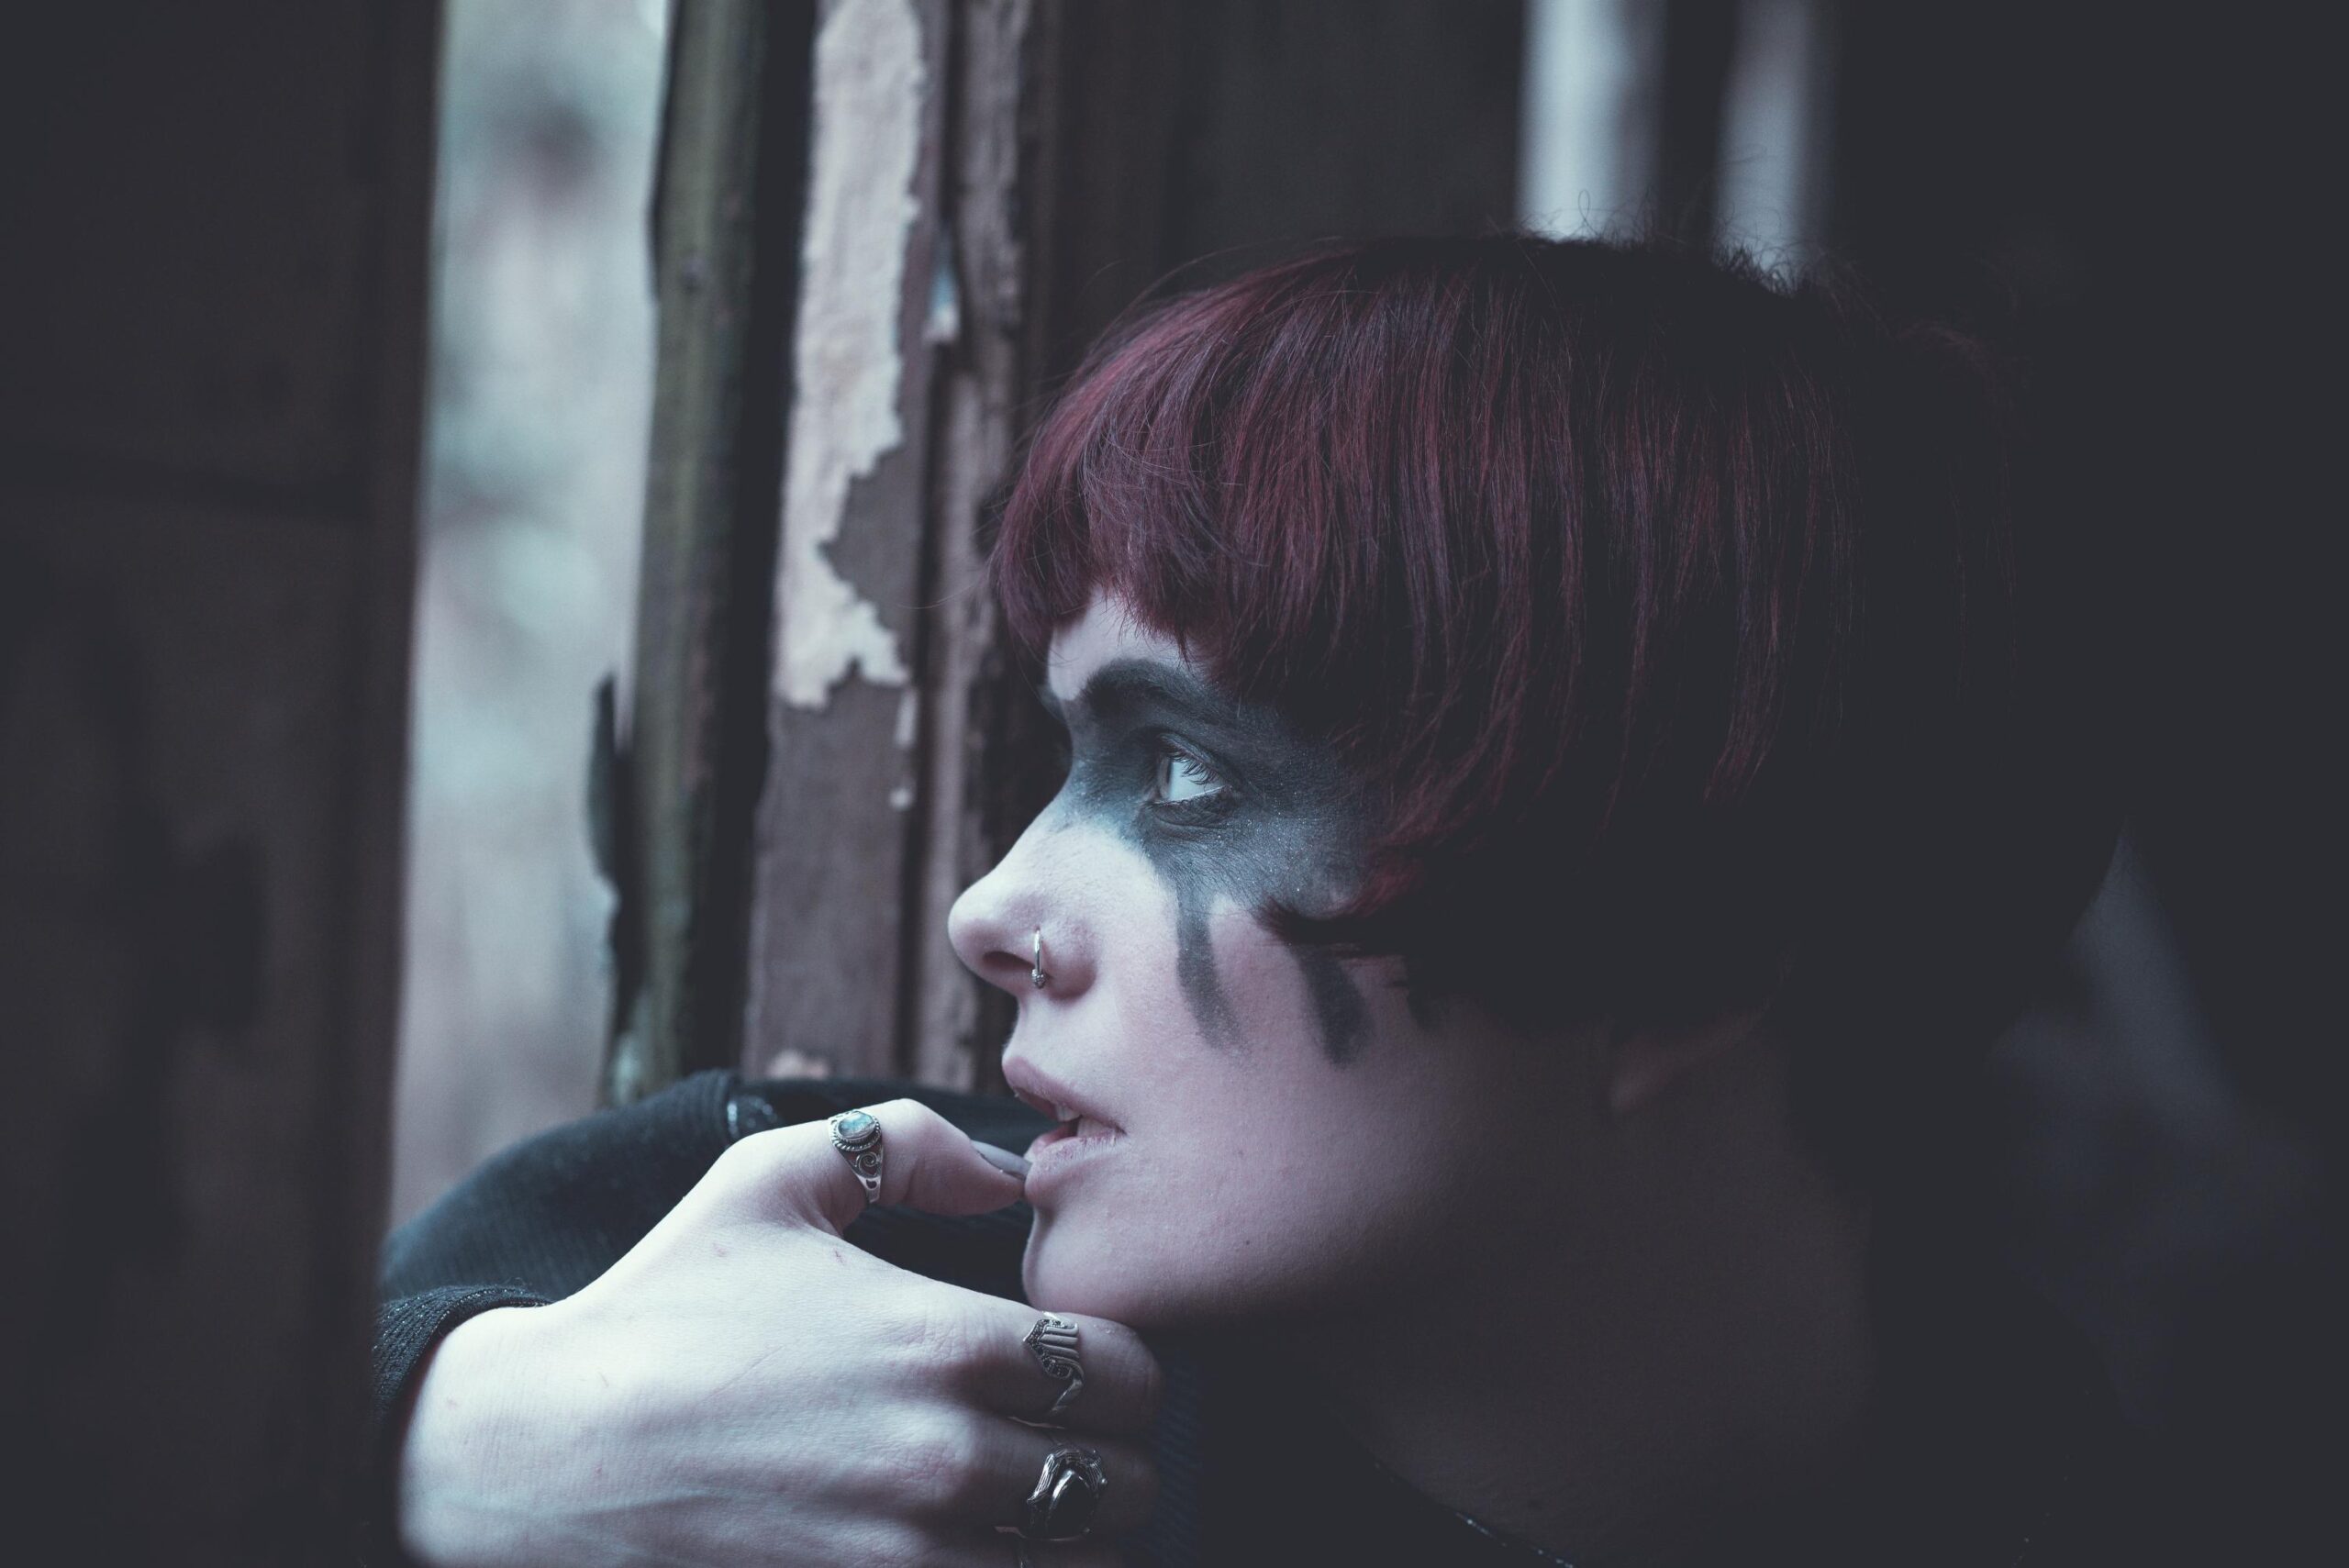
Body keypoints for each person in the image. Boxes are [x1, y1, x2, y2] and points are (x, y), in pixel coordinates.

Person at [370, 236, 2138, 1566]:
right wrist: (442, 1453)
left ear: (1681, 945)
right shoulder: (751, 1292)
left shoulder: (2153, 1477)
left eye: (1187, 775)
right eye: (1074, 752)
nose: (997, 905)